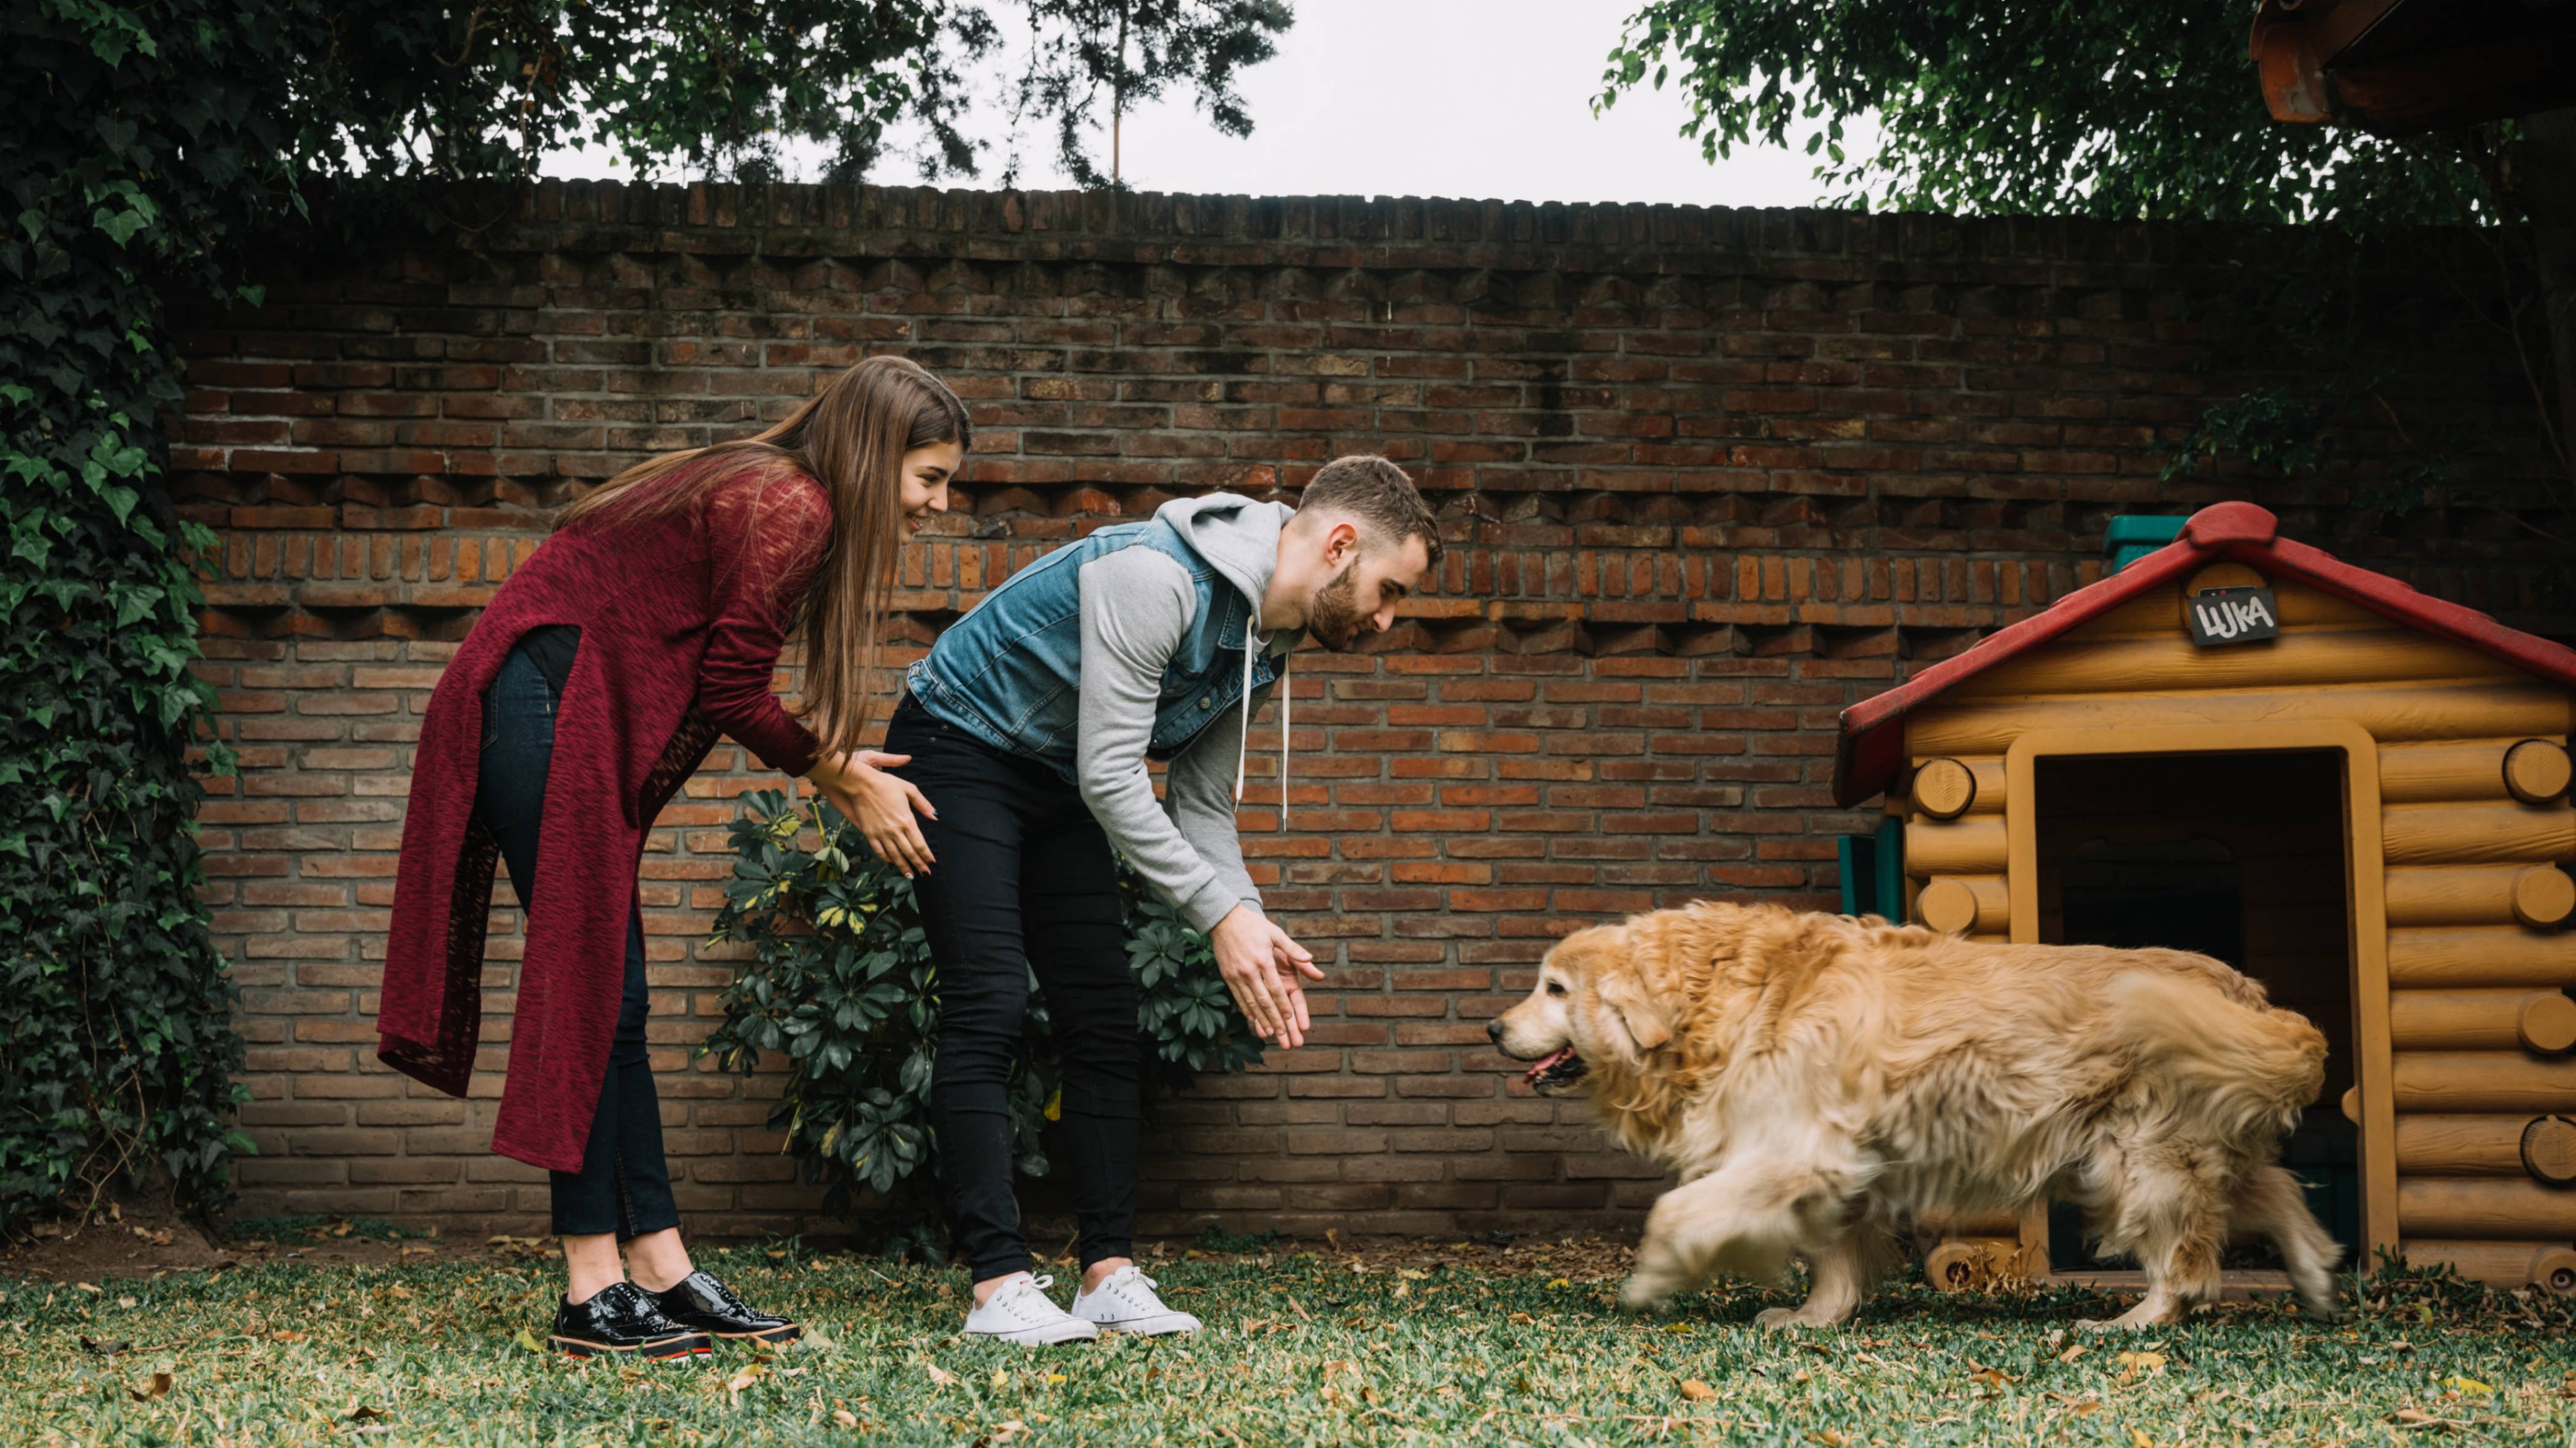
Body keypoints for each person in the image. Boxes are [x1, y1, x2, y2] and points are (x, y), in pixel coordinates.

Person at [377, 356, 964, 1361]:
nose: (939, 505)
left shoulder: (771, 489)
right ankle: (590, 1284)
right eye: (930, 478)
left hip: (559, 708)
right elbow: (732, 689)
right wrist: (837, 774)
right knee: (595, 986)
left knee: (622, 998)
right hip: (545, 706)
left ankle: (659, 1262)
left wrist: (833, 767)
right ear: (876, 456)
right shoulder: (791, 503)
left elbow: (714, 672)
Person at [885, 454, 1441, 1346]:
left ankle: (1106, 1275)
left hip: (1056, 771)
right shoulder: (1157, 576)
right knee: (989, 1000)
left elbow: (1202, 805)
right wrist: (1218, 917)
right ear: (1340, 545)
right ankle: (997, 1284)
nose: (1386, 618)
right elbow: (1114, 776)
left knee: (1104, 1014)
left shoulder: (1267, 640)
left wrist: (1247, 919)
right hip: (959, 741)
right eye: (1390, 591)